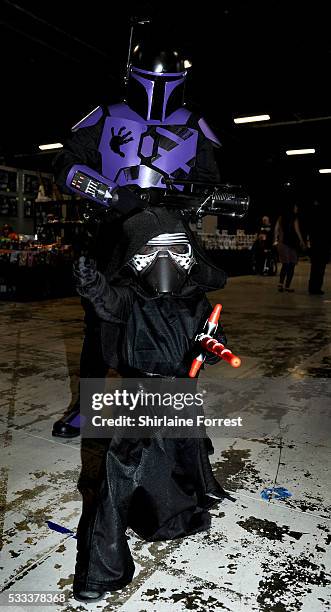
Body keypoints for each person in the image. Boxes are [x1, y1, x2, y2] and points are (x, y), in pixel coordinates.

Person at [52, 35, 222, 438]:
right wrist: (113, 195)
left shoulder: (193, 124)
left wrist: (172, 197)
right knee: (100, 321)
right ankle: (88, 407)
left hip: (168, 233)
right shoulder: (106, 115)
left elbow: (210, 184)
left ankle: (175, 414)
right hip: (113, 231)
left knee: (178, 321)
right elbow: (67, 165)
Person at [71, 207, 230, 603]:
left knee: (181, 454)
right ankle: (101, 571)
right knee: (119, 472)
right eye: (153, 250)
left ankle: (177, 512)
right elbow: (106, 302)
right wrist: (90, 282)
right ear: (136, 257)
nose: (165, 262)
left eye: (175, 250)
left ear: (189, 254)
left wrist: (212, 349)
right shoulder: (130, 298)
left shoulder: (197, 300)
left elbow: (213, 338)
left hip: (183, 394)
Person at [274, 204, 306, 292]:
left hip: (287, 243)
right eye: (296, 207)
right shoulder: (291, 218)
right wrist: (302, 241)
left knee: (288, 264)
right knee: (289, 265)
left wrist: (275, 240)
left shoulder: (285, 217)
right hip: (288, 244)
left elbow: (276, 229)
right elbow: (297, 230)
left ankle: (283, 285)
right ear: (291, 208)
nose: (297, 208)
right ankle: (284, 285)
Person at [307, 197, 331, 295]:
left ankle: (313, 287)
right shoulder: (324, 222)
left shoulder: (314, 221)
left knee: (315, 268)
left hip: (316, 246)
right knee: (320, 269)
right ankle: (316, 287)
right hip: (322, 247)